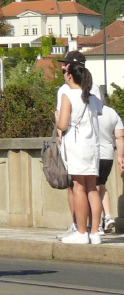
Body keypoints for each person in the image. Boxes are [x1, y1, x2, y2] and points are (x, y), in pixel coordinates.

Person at [57, 62, 103, 244]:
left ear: (70, 76)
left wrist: (57, 117)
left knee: (78, 187)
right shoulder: (91, 97)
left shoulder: (67, 95)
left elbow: (63, 124)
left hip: (76, 145)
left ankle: (82, 232)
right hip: (92, 145)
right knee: (92, 188)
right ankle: (95, 232)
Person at [97, 100, 123, 236]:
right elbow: (120, 135)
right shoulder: (111, 112)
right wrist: (120, 156)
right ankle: (107, 216)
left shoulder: (88, 110)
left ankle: (95, 225)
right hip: (108, 154)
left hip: (92, 153)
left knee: (90, 188)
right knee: (102, 185)